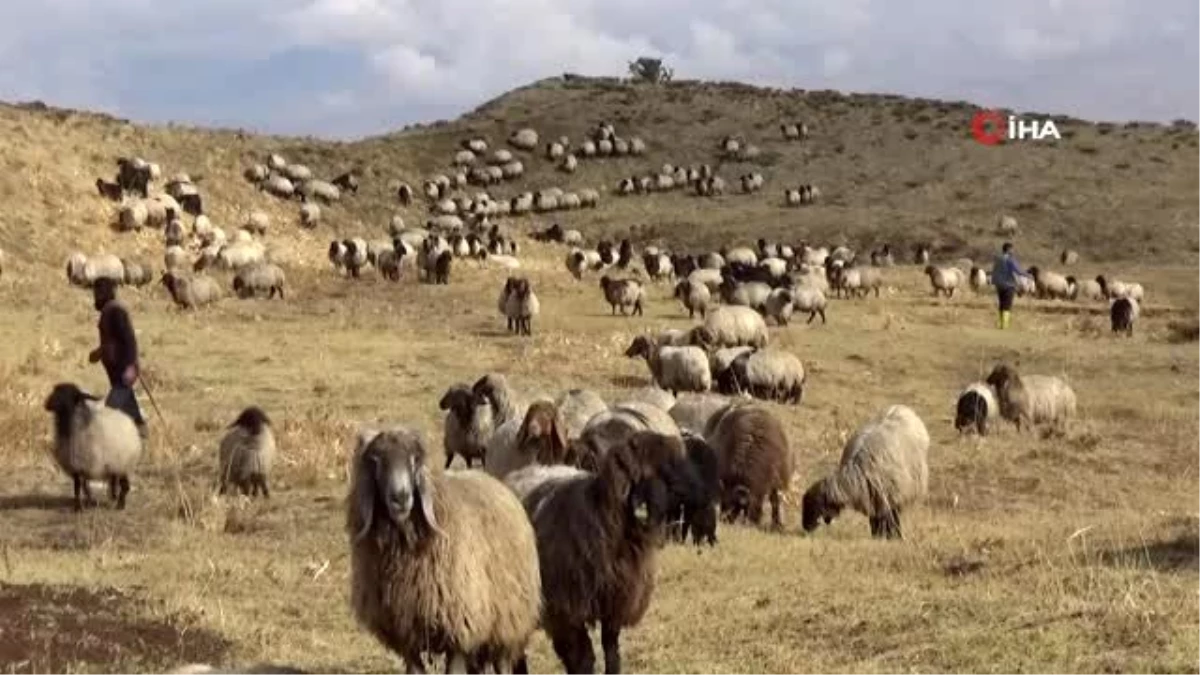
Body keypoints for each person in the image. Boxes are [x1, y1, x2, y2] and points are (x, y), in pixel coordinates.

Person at [87, 278, 148, 442]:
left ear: (104, 293)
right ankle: (141, 431)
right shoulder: (109, 310)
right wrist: (98, 353)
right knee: (128, 403)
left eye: (97, 293)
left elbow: (129, 339)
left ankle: (101, 441)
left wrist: (131, 366)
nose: (95, 297)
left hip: (123, 369)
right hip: (117, 370)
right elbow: (111, 342)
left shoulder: (115, 310)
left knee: (110, 409)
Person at [990, 242, 1028, 329]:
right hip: (1008, 284)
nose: (1013, 251)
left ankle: (1000, 323)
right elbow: (1018, 271)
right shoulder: (1010, 260)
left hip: (999, 284)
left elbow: (994, 270)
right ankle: (1005, 325)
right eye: (1012, 249)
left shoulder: (998, 258)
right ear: (1009, 249)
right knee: (1007, 305)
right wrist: (1028, 275)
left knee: (1001, 303)